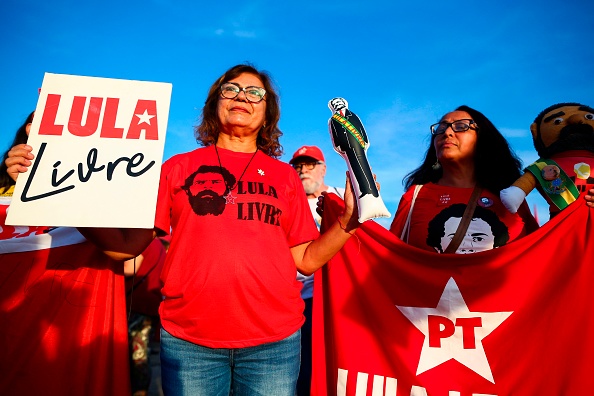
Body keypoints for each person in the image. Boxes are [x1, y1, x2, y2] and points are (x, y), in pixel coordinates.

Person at [7, 64, 361, 395]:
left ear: (268, 113)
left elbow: (306, 260)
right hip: (190, 343)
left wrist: (348, 219)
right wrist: (50, 184)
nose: (242, 96)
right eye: (231, 89)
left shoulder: (285, 177)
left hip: (275, 343)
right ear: (213, 105)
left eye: (255, 93)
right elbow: (124, 247)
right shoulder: (175, 168)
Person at [1, 112, 131, 395]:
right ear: (27, 129)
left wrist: (56, 184)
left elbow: (130, 252)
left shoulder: (101, 191)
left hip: (75, 350)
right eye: (39, 119)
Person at [389, 105, 539, 253]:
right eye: (441, 128)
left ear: (482, 139)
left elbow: (540, 251)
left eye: (461, 126)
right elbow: (387, 257)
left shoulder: (508, 196)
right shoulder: (415, 196)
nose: (447, 132)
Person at [288, 145, 344, 395]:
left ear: (323, 169)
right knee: (296, 366)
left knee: (332, 360)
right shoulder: (287, 201)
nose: (302, 171)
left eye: (309, 165)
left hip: (334, 298)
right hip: (293, 297)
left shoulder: (343, 197)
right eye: (298, 166)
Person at [124, 237, 167, 396]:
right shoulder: (157, 244)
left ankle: (140, 392)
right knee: (140, 352)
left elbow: (130, 268)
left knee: (138, 354)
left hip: (139, 305)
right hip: (148, 304)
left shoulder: (143, 241)